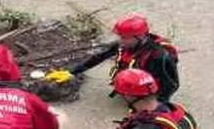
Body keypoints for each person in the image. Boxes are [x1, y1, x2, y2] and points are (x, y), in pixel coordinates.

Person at [47, 13, 179, 102]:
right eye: (120, 37)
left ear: (139, 37)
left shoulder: (160, 56)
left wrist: (155, 107)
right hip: (132, 92)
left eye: (124, 37)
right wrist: (72, 72)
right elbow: (99, 57)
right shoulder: (126, 44)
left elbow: (172, 85)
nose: (120, 40)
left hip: (148, 96)